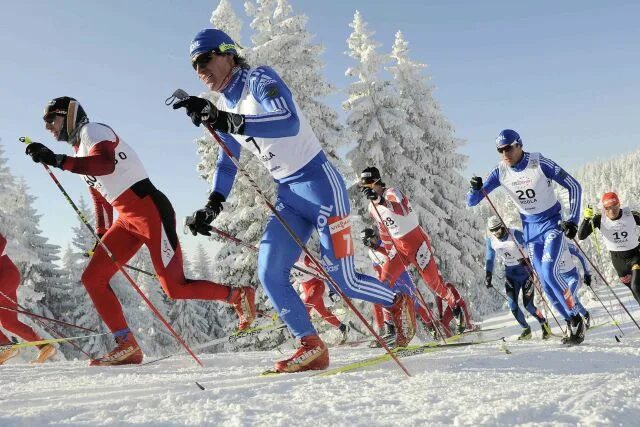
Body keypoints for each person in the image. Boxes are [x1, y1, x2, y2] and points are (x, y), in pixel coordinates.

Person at [174, 28, 412, 373]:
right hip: (288, 195)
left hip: (320, 186)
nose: (200, 70)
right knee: (270, 272)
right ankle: (311, 345)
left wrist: (226, 120)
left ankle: (396, 302)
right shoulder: (225, 103)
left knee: (343, 280)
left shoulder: (259, 78)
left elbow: (287, 120)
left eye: (205, 60)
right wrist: (213, 204)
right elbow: (228, 161)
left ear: (227, 54)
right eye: (194, 66)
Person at [25, 96, 256, 366]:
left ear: (69, 115)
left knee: (175, 288)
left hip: (150, 211)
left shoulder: (93, 130)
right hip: (126, 219)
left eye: (51, 119)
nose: (48, 127)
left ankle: (238, 296)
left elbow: (105, 164)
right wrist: (102, 231)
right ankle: (127, 345)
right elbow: (99, 195)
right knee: (93, 278)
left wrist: (57, 160)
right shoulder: (78, 151)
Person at [467, 129, 585, 344]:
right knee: (546, 285)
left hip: (551, 224)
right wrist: (473, 189)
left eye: (509, 148)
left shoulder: (539, 162)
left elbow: (574, 185)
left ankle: (577, 316)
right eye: (500, 150)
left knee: (550, 273)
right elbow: (472, 201)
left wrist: (574, 220)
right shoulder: (500, 171)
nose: (505, 153)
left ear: (519, 145)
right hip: (531, 232)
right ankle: (571, 322)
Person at [359, 167, 461, 316]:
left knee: (434, 284)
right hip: (399, 248)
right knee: (383, 283)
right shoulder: (371, 207)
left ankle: (454, 305)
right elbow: (383, 230)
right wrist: (388, 252)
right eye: (364, 188)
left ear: (377, 182)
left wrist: (380, 200)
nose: (367, 190)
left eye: (369, 186)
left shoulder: (392, 193)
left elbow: (403, 210)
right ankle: (391, 325)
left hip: (417, 244)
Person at [484, 216, 552, 339]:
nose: (496, 233)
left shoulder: (515, 234)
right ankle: (526, 329)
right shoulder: (491, 240)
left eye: (498, 229)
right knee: (513, 305)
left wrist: (526, 259)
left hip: (525, 273)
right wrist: (488, 274)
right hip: (511, 275)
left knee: (529, 306)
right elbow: (490, 258)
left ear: (503, 226)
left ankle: (543, 322)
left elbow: (531, 248)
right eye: (492, 231)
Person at [0, 232, 56, 364]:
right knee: (9, 322)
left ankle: (4, 346)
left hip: (5, 274)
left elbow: (2, 241)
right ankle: (44, 346)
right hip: (7, 275)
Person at [578, 192, 640, 306]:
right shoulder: (599, 219)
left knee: (636, 286)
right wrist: (586, 219)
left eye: (614, 207)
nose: (611, 211)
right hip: (618, 262)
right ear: (604, 208)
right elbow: (581, 236)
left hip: (635, 256)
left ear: (619, 204)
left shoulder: (631, 215)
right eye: (608, 208)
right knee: (635, 291)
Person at [290, 253, 349, 344]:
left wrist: (331, 288)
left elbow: (323, 270)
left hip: (316, 285)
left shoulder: (303, 258)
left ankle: (308, 339)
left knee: (305, 309)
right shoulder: (286, 260)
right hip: (306, 287)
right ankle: (343, 327)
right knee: (322, 312)